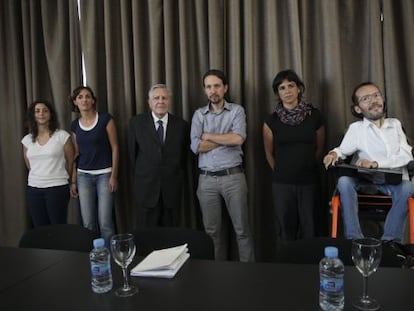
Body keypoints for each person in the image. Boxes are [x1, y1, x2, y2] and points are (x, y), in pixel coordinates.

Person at [323, 82, 413, 242]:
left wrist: (377, 163)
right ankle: (354, 238)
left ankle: (390, 241)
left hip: (393, 180)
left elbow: (407, 155)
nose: (373, 101)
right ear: (358, 109)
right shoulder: (356, 129)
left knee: (409, 186)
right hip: (366, 179)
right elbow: (342, 150)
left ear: (383, 100)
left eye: (376, 95)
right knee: (344, 181)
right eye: (366, 98)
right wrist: (332, 154)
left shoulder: (395, 124)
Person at [190, 69, 255, 262]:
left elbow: (238, 138)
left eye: (216, 86)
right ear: (205, 90)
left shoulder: (236, 110)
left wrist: (208, 135)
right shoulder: (199, 115)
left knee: (242, 230)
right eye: (209, 87)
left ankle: (248, 274)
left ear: (225, 88)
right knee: (212, 233)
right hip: (207, 180)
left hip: (233, 178)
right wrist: (226, 138)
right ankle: (218, 276)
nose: (213, 91)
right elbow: (196, 146)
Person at [263, 69, 325, 242]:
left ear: (299, 89)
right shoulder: (271, 120)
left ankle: (310, 266)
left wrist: (306, 165)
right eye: (282, 88)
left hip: (309, 181)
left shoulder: (315, 116)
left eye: (291, 85)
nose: (287, 90)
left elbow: (319, 148)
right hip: (282, 183)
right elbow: (268, 152)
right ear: (277, 93)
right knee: (285, 228)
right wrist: (281, 171)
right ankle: (287, 267)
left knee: (310, 227)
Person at [128, 84, 189, 227]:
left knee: (170, 235)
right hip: (146, 187)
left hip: (172, 189)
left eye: (164, 98)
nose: (160, 101)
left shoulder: (182, 125)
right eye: (156, 98)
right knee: (147, 234)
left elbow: (184, 157)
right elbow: (132, 154)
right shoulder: (136, 123)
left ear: (169, 101)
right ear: (149, 102)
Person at [69, 86, 119, 243]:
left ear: (93, 100)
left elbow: (115, 147)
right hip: (83, 176)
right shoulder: (75, 125)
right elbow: (77, 154)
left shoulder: (105, 119)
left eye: (87, 96)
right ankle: (95, 258)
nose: (84, 99)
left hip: (104, 175)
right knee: (88, 223)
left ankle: (111, 258)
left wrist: (114, 176)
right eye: (80, 97)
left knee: (105, 223)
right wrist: (73, 180)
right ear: (75, 102)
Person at [22, 100, 74, 226]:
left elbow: (70, 161)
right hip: (34, 189)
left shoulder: (62, 136)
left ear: (51, 114)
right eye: (37, 111)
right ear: (33, 115)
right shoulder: (27, 140)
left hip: (57, 188)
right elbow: (29, 164)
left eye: (45, 111)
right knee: (40, 228)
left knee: (58, 227)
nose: (41, 114)